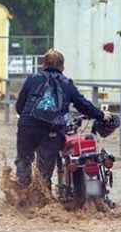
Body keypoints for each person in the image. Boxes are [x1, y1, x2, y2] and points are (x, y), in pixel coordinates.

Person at [14, 49, 111, 188]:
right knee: (44, 172)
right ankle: (43, 198)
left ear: (43, 65)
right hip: (51, 131)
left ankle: (21, 196)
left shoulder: (32, 79)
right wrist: (101, 115)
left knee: (24, 160)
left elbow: (20, 106)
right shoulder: (67, 83)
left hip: (27, 127)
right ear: (62, 67)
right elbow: (83, 105)